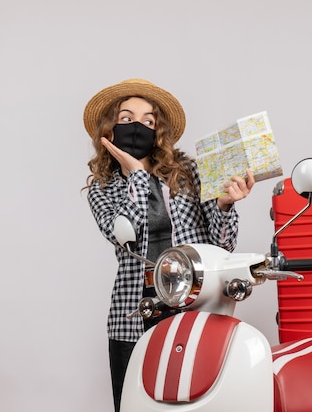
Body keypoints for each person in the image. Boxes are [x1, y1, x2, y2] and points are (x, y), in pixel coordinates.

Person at [82, 78, 255, 412]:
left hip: (197, 305)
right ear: (110, 129)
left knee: (199, 401)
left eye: (149, 121)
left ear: (158, 130)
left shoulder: (187, 170)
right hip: (134, 314)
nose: (138, 126)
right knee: (134, 404)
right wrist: (136, 175)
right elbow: (123, 233)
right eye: (127, 118)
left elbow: (223, 245)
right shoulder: (102, 189)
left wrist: (224, 205)